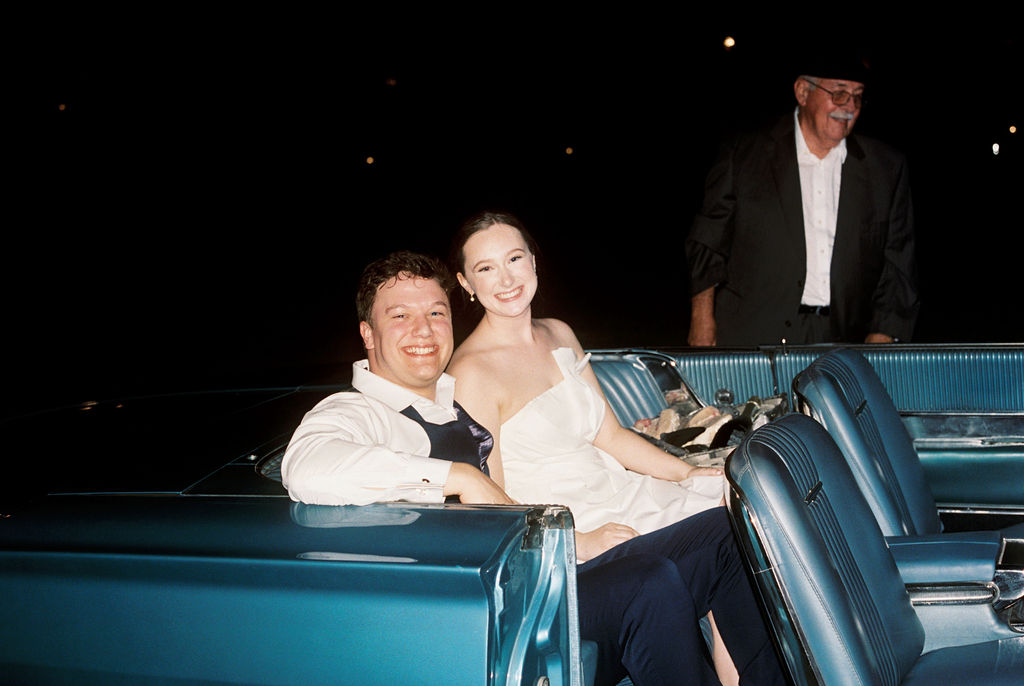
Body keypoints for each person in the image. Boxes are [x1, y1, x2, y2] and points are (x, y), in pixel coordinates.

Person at [282, 250, 785, 686]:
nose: (423, 330)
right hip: (491, 613)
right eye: (400, 317)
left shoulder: (448, 397)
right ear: (367, 334)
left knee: (727, 531)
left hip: (542, 576)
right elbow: (306, 466)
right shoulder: (359, 411)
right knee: (649, 582)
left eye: (436, 313)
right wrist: (460, 477)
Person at [447, 211, 726, 557]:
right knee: (719, 534)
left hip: (621, 493)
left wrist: (688, 473)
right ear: (466, 284)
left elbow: (610, 436)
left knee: (733, 497)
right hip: (571, 526)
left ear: (533, 260)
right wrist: (578, 540)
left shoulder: (559, 333)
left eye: (514, 259)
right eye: (486, 268)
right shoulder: (470, 372)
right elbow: (494, 501)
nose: (506, 279)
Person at [685, 52, 919, 346]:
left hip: (844, 343)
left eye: (858, 97)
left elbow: (898, 266)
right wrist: (702, 322)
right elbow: (708, 242)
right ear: (803, 92)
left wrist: (882, 338)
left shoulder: (885, 169)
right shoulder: (745, 155)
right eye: (839, 93)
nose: (849, 106)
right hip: (751, 335)